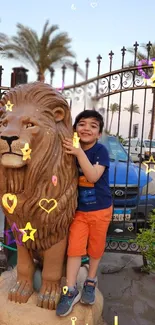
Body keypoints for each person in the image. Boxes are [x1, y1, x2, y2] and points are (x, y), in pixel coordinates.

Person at [56, 110, 112, 316]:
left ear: (98, 134)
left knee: (95, 248)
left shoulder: (100, 151)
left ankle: (90, 280)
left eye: (93, 125)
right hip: (79, 211)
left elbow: (93, 176)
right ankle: (70, 290)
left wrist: (79, 153)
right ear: (75, 129)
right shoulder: (70, 149)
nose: (87, 128)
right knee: (74, 249)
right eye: (82, 124)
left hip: (100, 210)